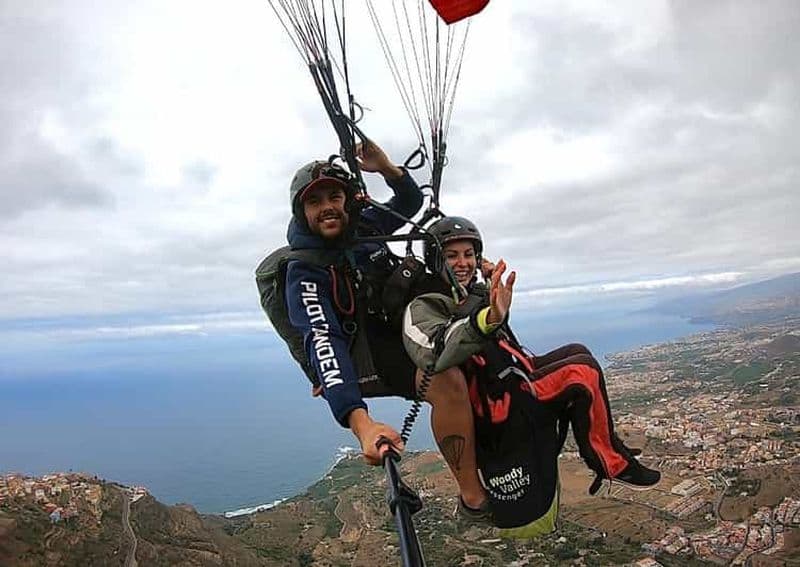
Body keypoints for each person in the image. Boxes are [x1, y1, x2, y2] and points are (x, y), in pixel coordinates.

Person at [268, 142, 488, 515]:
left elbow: (408, 203)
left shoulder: (363, 226)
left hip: (395, 327)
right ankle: (473, 497)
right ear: (301, 212)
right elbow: (323, 341)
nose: (327, 208)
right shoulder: (304, 272)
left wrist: (386, 167)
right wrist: (362, 423)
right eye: (314, 202)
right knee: (447, 381)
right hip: (364, 355)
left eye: (334, 196)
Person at [402, 216, 661, 532]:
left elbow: (488, 312)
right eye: (452, 255)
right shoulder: (425, 304)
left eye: (469, 254)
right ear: (435, 259)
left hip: (515, 376)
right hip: (499, 400)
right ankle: (610, 463)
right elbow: (431, 350)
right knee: (581, 373)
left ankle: (605, 452)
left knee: (577, 351)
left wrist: (485, 282)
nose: (463, 262)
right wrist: (485, 317)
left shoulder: (475, 293)